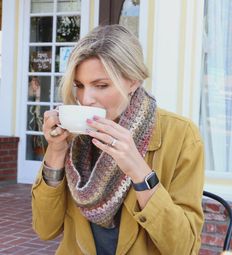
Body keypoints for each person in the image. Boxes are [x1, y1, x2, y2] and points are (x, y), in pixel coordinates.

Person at [32, 24, 204, 255]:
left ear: (133, 80)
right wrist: (56, 151)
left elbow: (185, 248)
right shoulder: (74, 136)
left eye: (101, 85)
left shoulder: (182, 136)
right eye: (79, 86)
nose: (86, 99)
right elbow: (45, 229)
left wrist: (139, 172)